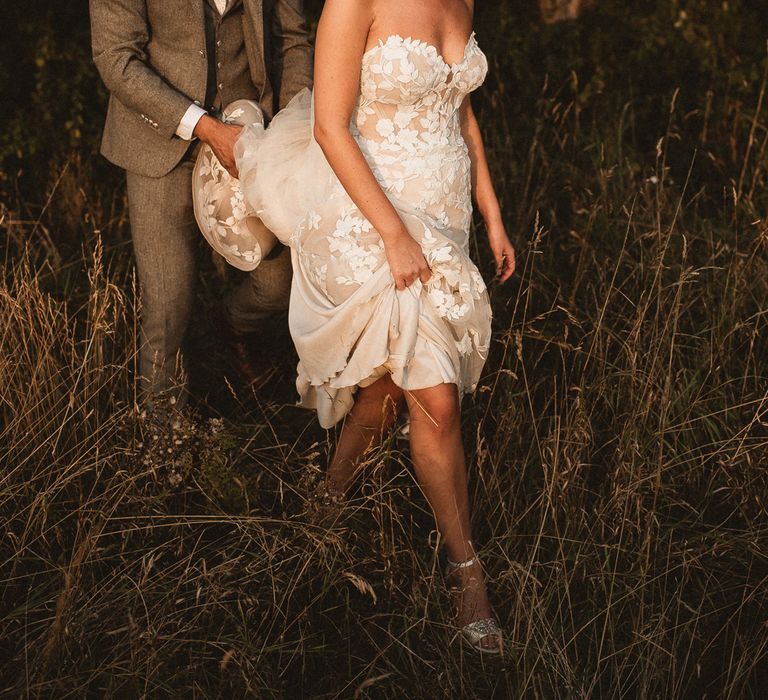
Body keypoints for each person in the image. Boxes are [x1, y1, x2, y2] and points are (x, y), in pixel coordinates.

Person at [198, 0, 516, 654]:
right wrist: (395, 236)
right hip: (373, 218)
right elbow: (330, 130)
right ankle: (468, 576)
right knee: (436, 396)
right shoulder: (353, 3)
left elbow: (460, 107)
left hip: (444, 213)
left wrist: (490, 213)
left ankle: (328, 502)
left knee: (384, 388)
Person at [89, 0, 313, 404]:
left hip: (255, 141)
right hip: (158, 144)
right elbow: (116, 56)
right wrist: (206, 128)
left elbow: (293, 40)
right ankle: (165, 442)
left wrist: (288, 128)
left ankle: (229, 327)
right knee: (167, 309)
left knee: (280, 284)